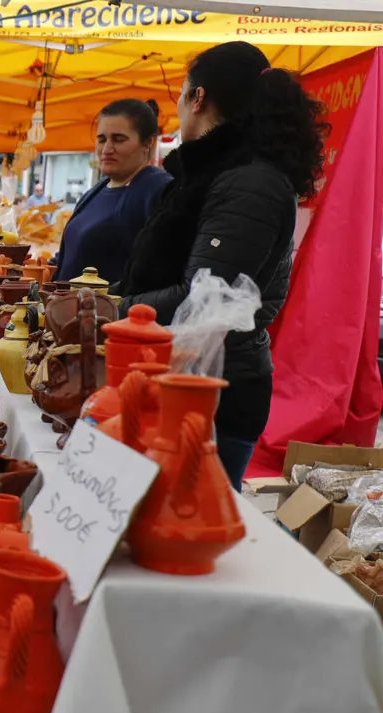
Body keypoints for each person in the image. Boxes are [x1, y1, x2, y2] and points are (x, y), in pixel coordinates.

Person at [118, 41, 328, 488]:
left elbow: (206, 297)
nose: (178, 106)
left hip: (215, 388)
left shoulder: (249, 180)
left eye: (181, 93)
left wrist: (118, 309)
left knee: (189, 519)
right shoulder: (219, 172)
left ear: (198, 98)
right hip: (189, 374)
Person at [51, 99, 170, 286]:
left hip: (106, 313)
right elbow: (71, 256)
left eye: (118, 139)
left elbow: (159, 271)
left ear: (147, 143)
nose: (107, 149)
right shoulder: (95, 191)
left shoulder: (157, 189)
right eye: (101, 139)